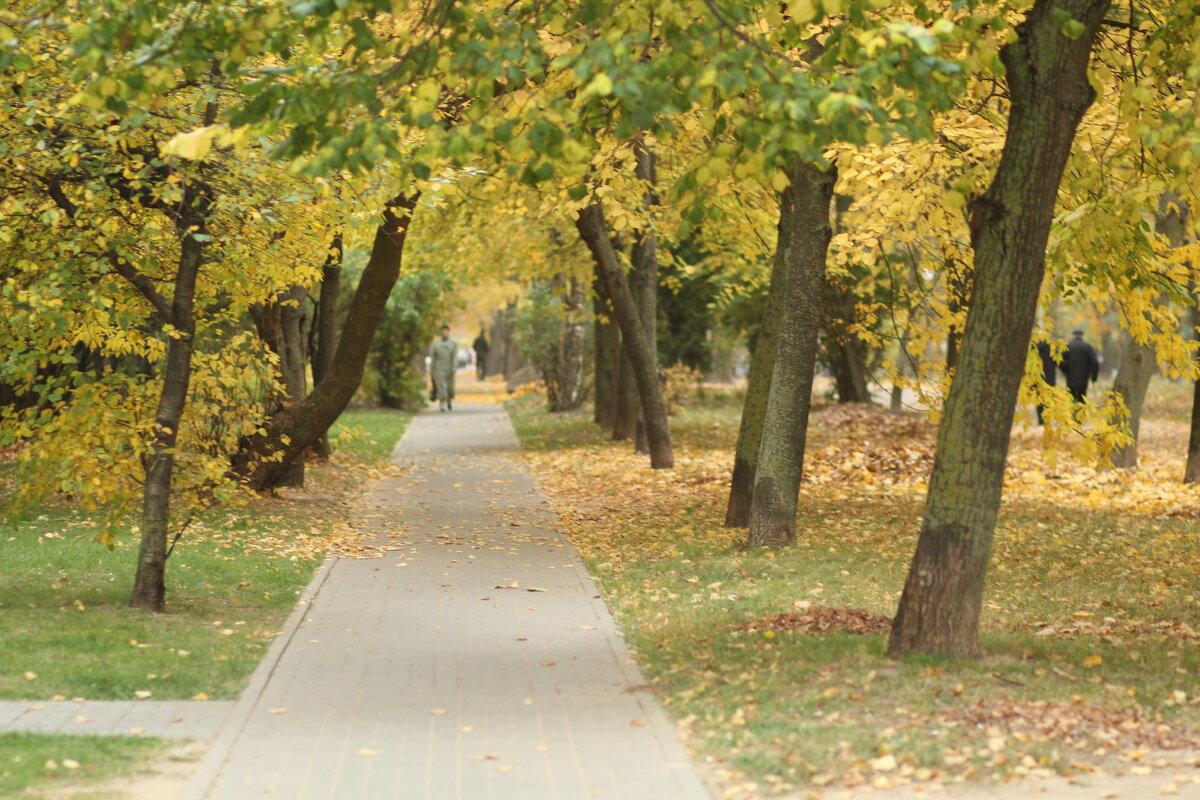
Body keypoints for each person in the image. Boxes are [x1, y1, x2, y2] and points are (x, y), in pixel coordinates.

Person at [1059, 329, 1100, 403]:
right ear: (1082, 336)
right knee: (1082, 398)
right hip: (1083, 378)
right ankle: (1081, 413)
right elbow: (1095, 362)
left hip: (1070, 377)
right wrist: (1094, 376)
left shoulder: (1068, 346)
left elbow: (1060, 360)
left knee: (1070, 398)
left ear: (1073, 335)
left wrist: (1065, 370)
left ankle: (1072, 413)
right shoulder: (1088, 346)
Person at [429, 324, 458, 411]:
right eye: (443, 331)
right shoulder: (436, 343)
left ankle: (449, 400)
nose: (445, 332)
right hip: (439, 367)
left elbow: (455, 356)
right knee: (441, 386)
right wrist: (432, 369)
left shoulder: (454, 343)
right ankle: (442, 402)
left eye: (446, 331)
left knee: (450, 387)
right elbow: (433, 357)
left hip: (450, 367)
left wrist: (454, 367)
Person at [1035, 340, 1057, 425]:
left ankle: (1040, 421)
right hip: (1049, 378)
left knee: (1038, 400)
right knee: (1048, 399)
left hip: (1037, 378)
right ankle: (1048, 419)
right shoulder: (1051, 348)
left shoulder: (1034, 347)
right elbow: (1057, 362)